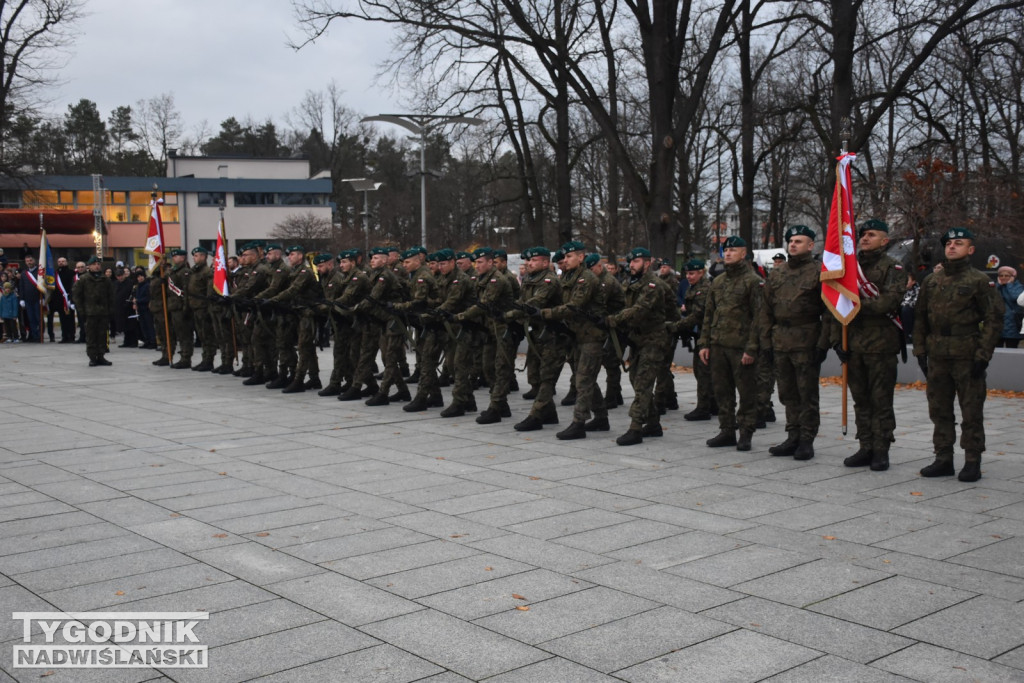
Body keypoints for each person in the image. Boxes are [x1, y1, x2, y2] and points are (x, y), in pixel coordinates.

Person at [913, 227, 1003, 482]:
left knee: (971, 410)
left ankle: (972, 460)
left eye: (959, 243)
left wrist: (983, 355)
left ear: (970, 250)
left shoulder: (978, 280)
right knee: (939, 409)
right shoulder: (931, 281)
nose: (952, 247)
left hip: (967, 353)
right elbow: (920, 318)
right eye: (949, 243)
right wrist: (920, 350)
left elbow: (994, 319)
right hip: (938, 354)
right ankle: (943, 458)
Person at [839, 219, 907, 472]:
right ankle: (865, 446)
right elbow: (836, 305)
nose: (865, 238)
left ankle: (881, 449)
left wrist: (852, 306)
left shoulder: (894, 268)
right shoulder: (849, 267)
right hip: (854, 344)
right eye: (863, 235)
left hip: (881, 345)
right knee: (860, 399)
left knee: (880, 400)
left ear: (885, 240)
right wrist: (839, 341)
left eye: (871, 234)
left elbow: (886, 303)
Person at [762, 226, 830, 461]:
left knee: (806, 393)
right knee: (787, 392)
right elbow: (766, 310)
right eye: (790, 240)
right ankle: (792, 435)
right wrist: (766, 342)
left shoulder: (820, 272)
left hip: (806, 339)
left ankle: (807, 439)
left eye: (799, 241)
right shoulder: (778, 273)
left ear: (811, 246)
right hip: (780, 339)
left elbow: (829, 312)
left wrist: (823, 344)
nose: (793, 245)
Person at [698, 236, 763, 451]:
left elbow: (759, 318)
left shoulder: (752, 281)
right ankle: (726, 430)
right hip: (718, 345)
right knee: (722, 390)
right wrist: (704, 343)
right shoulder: (718, 282)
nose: (727, 254)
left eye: (733, 250)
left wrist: (752, 348)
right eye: (726, 251)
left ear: (744, 253)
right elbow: (709, 315)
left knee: (746, 392)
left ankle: (746, 432)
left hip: (741, 347)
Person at [540, 240, 609, 440]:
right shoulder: (569, 277)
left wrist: (546, 313)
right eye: (565, 257)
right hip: (577, 335)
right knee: (586, 378)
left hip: (591, 336)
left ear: (581, 257)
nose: (565, 260)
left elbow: (573, 306)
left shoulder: (585, 278)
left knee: (583, 379)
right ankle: (602, 417)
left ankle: (578, 423)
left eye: (570, 257)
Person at [607, 247, 671, 445]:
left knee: (643, 383)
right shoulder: (631, 283)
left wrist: (614, 320)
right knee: (636, 380)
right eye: (630, 262)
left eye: (636, 262)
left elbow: (638, 310)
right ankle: (652, 423)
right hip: (638, 340)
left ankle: (635, 428)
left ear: (647, 262)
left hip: (654, 339)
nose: (631, 265)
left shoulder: (653, 285)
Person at [509, 247, 565, 431]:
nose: (529, 263)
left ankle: (536, 415)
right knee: (537, 374)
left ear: (544, 263)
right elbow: (521, 301)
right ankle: (549, 414)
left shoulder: (548, 280)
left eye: (534, 261)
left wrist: (510, 312)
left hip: (552, 335)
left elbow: (535, 303)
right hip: (537, 334)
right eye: (528, 261)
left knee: (547, 377)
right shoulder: (530, 279)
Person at [678, 259, 716, 421]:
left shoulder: (704, 288)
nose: (689, 276)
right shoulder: (694, 288)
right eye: (687, 273)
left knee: (702, 371)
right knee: (703, 371)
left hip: (706, 334)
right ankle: (714, 404)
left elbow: (697, 315)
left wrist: (676, 326)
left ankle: (703, 407)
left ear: (701, 272)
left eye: (692, 273)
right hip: (699, 333)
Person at [74, 256, 114, 366]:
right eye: (94, 264)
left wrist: (110, 310)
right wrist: (82, 311)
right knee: (91, 336)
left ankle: (101, 356)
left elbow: (111, 296)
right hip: (89, 312)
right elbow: (77, 296)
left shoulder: (105, 279)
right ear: (89, 266)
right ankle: (92, 357)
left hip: (103, 312)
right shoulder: (84, 279)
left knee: (102, 335)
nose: (97, 266)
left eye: (98, 264)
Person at [995, 266, 1023, 348]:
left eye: (1006, 276)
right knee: (996, 352)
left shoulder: (1018, 286)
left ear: (1012, 277)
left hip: (1012, 325)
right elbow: (989, 296)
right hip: (998, 325)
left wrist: (1009, 285)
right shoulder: (996, 287)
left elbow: (1016, 297)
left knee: (1012, 351)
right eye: (1001, 275)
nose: (1003, 277)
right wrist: (998, 285)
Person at [17, 255, 42, 342]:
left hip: (37, 299)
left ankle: (39, 336)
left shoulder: (40, 272)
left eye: (30, 260)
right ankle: (33, 335)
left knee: (38, 318)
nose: (29, 262)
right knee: (30, 319)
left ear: (34, 261)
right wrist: (22, 299)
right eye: (27, 261)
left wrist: (42, 297)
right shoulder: (24, 273)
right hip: (27, 300)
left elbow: (43, 285)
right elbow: (21, 286)